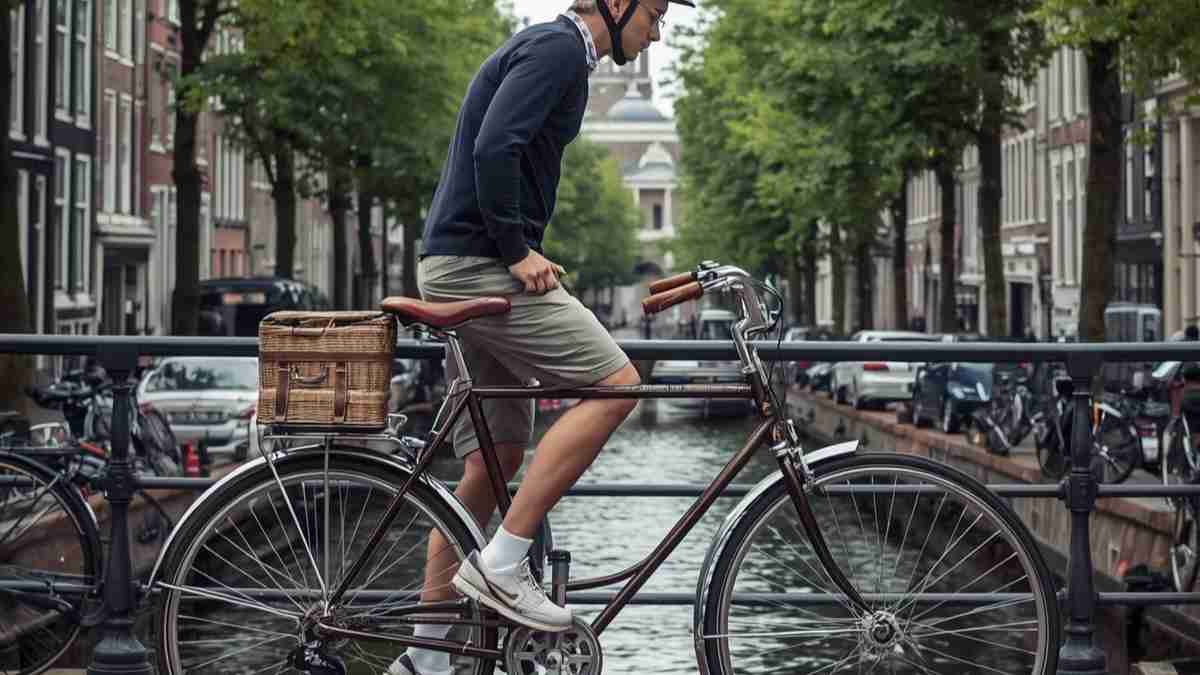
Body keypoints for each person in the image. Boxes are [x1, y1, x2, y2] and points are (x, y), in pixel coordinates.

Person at [386, 1, 693, 674]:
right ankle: (504, 560)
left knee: (489, 461)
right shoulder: (558, 51)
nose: (658, 32)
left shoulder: (562, 59)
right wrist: (518, 248)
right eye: (656, 14)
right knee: (617, 385)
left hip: (458, 261)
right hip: (480, 267)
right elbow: (495, 146)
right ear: (616, 5)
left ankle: (423, 657)